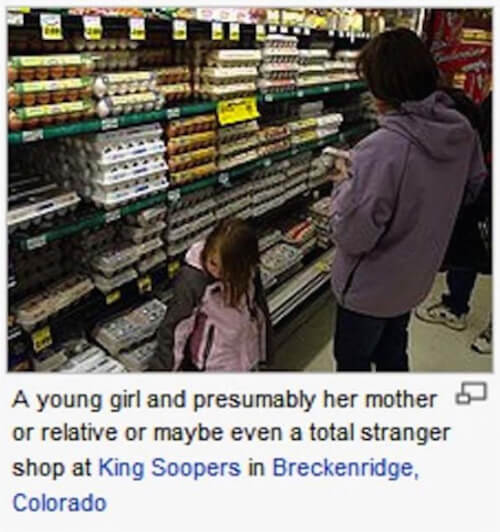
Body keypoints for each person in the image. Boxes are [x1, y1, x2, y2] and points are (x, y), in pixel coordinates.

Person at [329, 28, 487, 372]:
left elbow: (353, 236)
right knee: (393, 356)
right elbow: (472, 188)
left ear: (381, 88)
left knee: (352, 366)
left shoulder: (380, 151)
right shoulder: (460, 130)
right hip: (415, 278)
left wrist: (343, 187)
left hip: (368, 290)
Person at [416, 92, 492, 354]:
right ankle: (455, 306)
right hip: (483, 180)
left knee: (467, 241)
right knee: (466, 242)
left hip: (482, 180)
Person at [150, 217, 271, 371]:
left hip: (246, 359)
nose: (218, 272)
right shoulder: (193, 281)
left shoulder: (249, 273)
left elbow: (260, 312)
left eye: (228, 270)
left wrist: (263, 357)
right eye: (213, 263)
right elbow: (176, 331)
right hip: (212, 367)